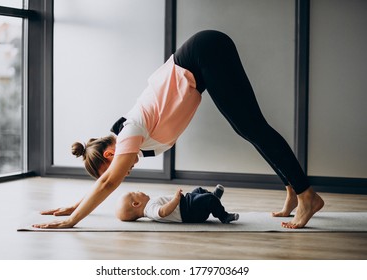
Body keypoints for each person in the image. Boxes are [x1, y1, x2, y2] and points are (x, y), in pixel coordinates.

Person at [32, 30, 324, 230]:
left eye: (113, 168)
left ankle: (306, 195)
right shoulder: (131, 136)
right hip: (202, 57)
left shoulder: (130, 130)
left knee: (252, 126)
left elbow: (108, 183)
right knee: (248, 128)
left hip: (205, 51)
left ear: (111, 153)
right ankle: (292, 189)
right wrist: (74, 205)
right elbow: (106, 181)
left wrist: (73, 220)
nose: (123, 174)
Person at [116, 185, 239, 224]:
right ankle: (223, 216)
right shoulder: (150, 209)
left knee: (199, 191)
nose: (138, 191)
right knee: (208, 199)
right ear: (136, 203)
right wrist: (175, 199)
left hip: (185, 204)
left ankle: (214, 201)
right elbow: (163, 212)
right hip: (188, 212)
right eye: (135, 192)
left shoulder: (149, 207)